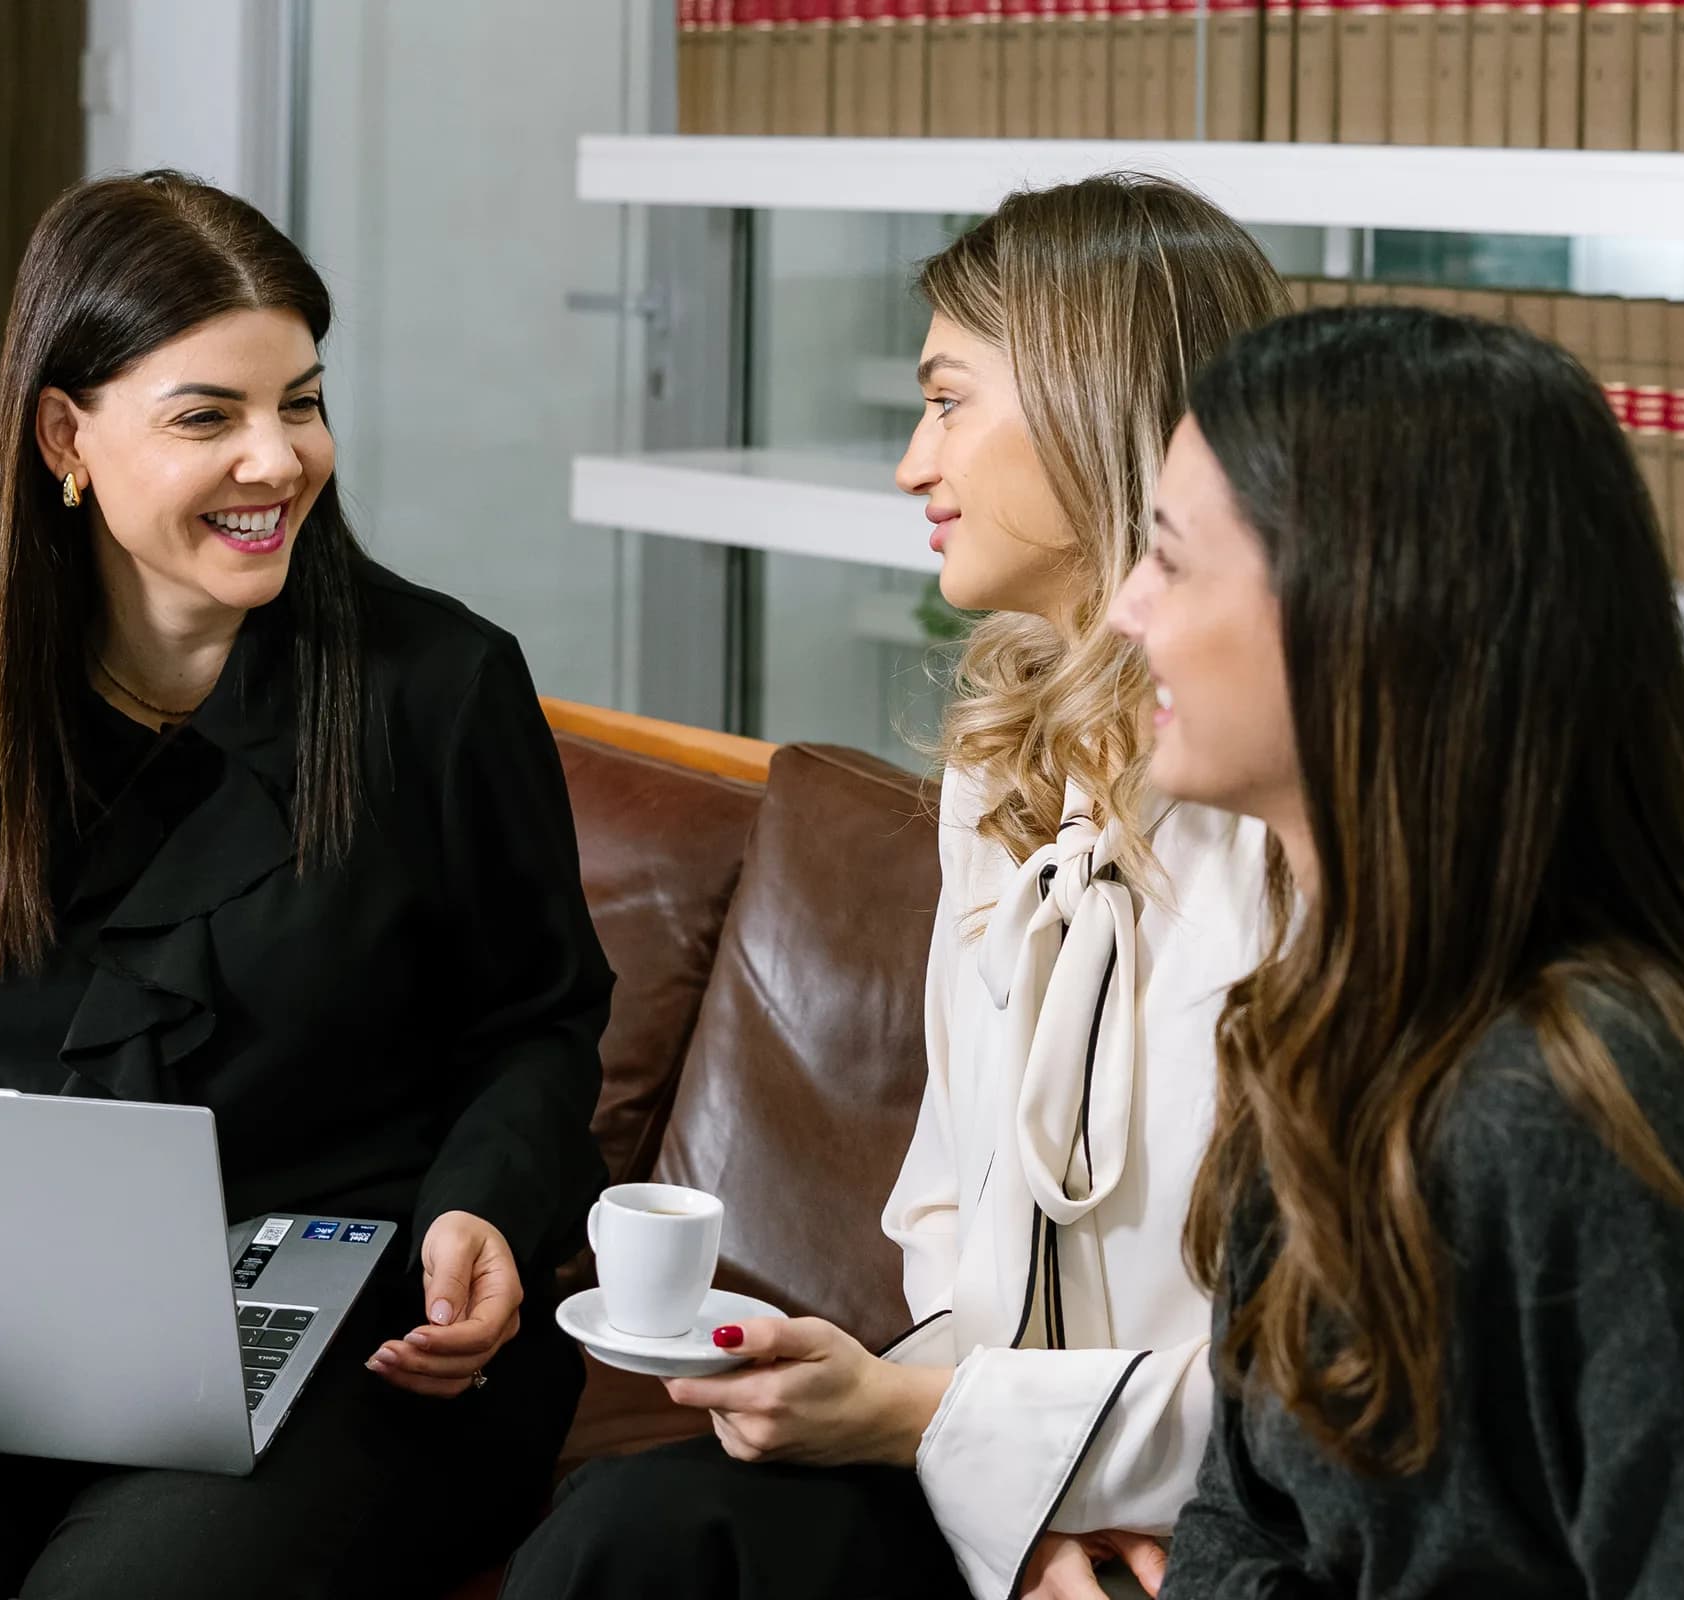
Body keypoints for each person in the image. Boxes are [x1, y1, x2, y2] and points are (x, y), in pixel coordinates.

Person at [0, 171, 613, 1598]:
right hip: (24, 1317)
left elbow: (537, 1025)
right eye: (208, 417)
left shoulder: (439, 688)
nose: (278, 459)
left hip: (369, 1316)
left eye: (300, 403)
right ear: (66, 433)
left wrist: (481, 1212)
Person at [503, 174, 1290, 1600]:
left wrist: (998, 1454)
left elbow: (1312, 1377)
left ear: (1086, 398)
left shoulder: (1282, 823)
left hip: (1223, 1512)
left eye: (947, 402)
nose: (912, 466)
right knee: (634, 1538)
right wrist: (989, 1476)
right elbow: (942, 1216)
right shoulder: (1000, 785)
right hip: (987, 1469)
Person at [1110, 306, 1684, 1600]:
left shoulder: (1583, 1109)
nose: (1124, 609)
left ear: (1363, 604)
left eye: (1171, 560)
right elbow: (1238, 1516)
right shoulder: (1314, 1021)